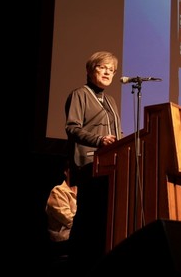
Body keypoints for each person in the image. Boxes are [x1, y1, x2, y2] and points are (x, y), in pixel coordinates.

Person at [65, 51, 122, 276]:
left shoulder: (111, 101)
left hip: (110, 166)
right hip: (89, 165)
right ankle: (78, 266)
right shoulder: (80, 94)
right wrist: (99, 140)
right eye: (103, 67)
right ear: (90, 70)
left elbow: (115, 133)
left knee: (103, 218)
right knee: (88, 217)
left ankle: (101, 265)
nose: (108, 72)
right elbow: (72, 128)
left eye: (112, 69)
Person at [45, 160, 78, 276]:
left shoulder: (81, 190)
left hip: (75, 244)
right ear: (66, 171)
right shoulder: (58, 191)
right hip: (62, 247)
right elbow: (70, 220)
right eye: (74, 168)